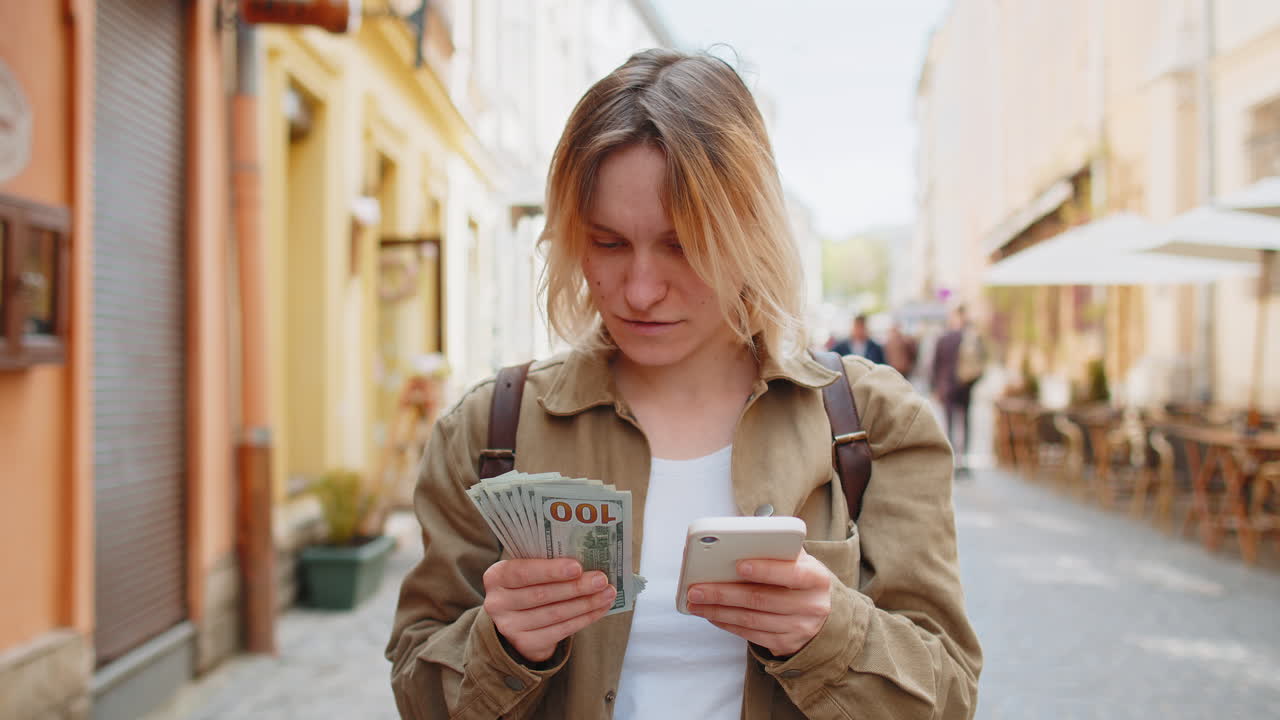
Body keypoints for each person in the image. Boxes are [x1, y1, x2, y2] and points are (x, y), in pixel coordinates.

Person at [386, 49, 981, 720]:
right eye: (608, 243)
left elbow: (949, 696)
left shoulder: (870, 424)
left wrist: (829, 633)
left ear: (749, 233)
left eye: (682, 244)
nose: (640, 290)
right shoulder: (489, 430)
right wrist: (504, 646)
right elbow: (418, 690)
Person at [931, 305, 984, 470]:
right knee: (965, 422)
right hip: (965, 386)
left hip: (947, 387)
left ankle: (952, 459)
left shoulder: (944, 338)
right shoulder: (971, 338)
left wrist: (934, 386)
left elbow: (935, 365)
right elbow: (980, 365)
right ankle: (964, 460)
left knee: (949, 423)